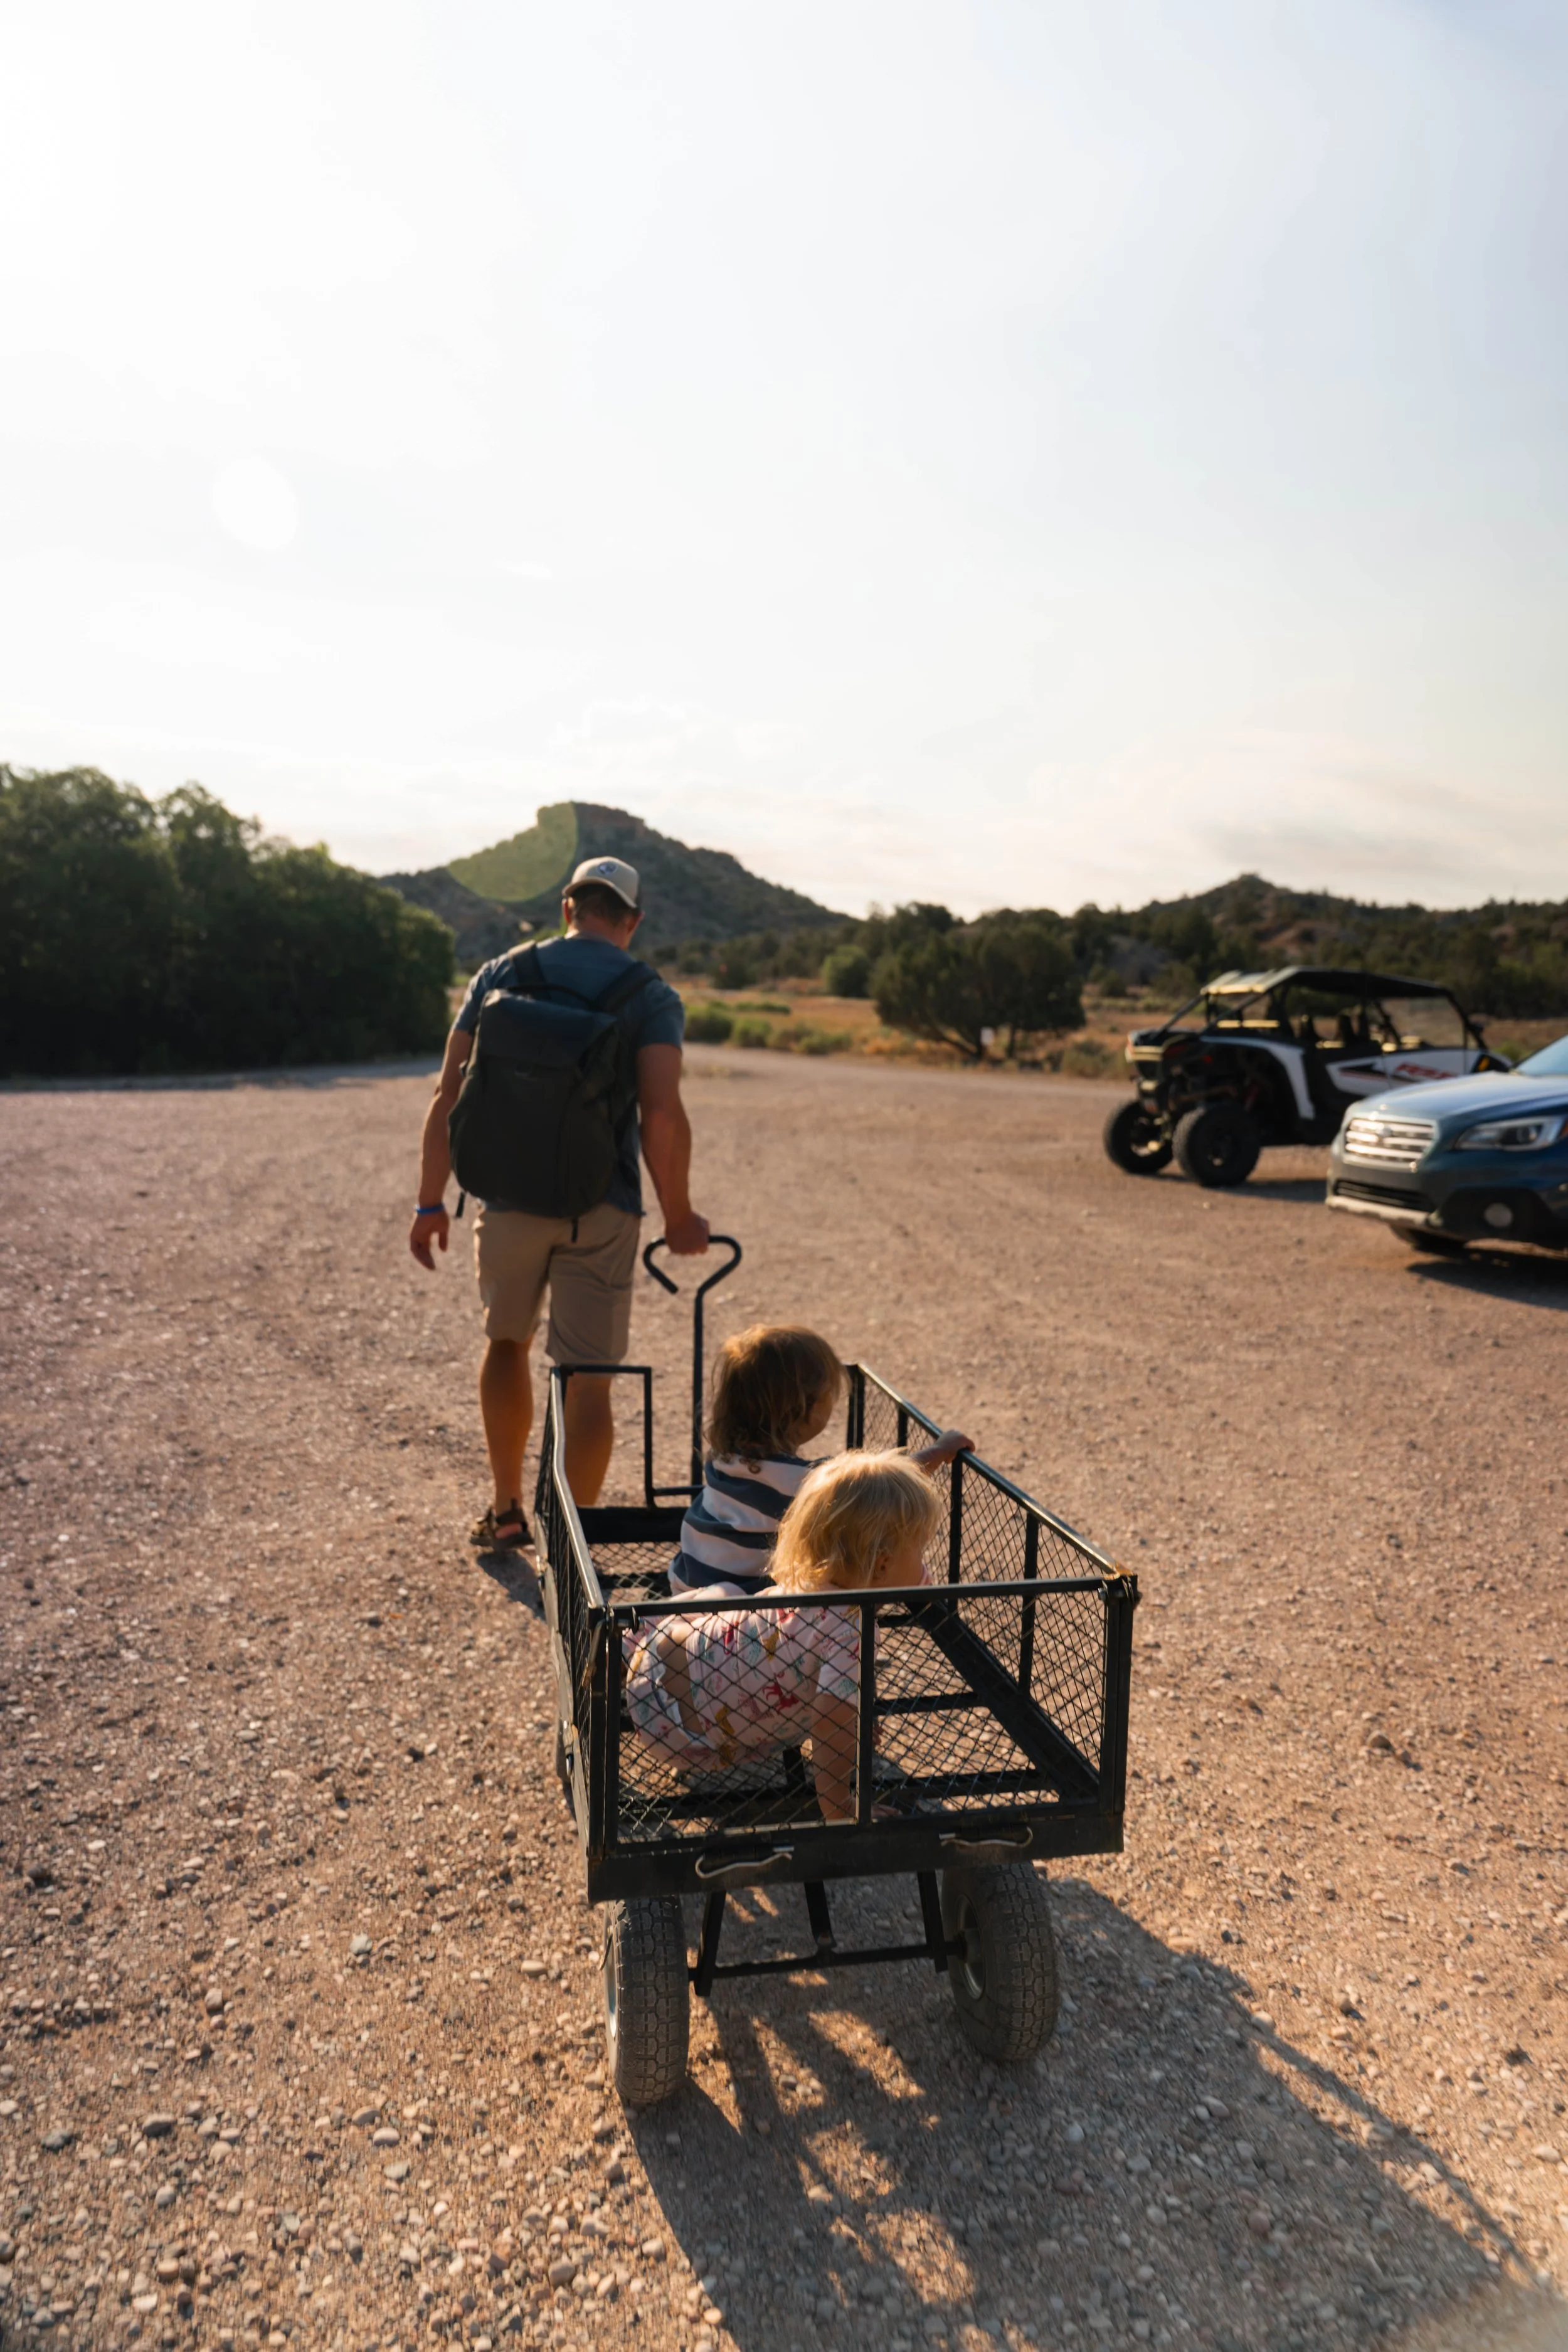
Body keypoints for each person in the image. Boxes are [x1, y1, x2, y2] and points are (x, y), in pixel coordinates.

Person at [409, 854, 709, 1550]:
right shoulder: (650, 995)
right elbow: (662, 1114)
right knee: (589, 1381)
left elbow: (448, 1094)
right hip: (602, 1206)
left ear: (568, 908)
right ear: (633, 921)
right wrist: (679, 1216)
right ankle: (572, 1551)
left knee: (506, 1343)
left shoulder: (500, 973)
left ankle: (505, 1510)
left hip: (506, 1197)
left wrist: (429, 1203)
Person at [625, 1449, 944, 1822]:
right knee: (811, 1707)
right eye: (920, 1551)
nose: (924, 1563)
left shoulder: (804, 1583)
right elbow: (831, 1726)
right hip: (684, 1741)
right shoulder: (853, 1629)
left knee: (731, 1597)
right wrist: (841, 1807)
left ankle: (630, 1638)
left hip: (655, 1666)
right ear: (883, 1565)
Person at [669, 1321, 971, 1595]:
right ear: (806, 1408)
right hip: (741, 1609)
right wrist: (937, 1452)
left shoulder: (722, 1459)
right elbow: (879, 1489)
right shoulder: (801, 1482)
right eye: (830, 1394)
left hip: (686, 1587)